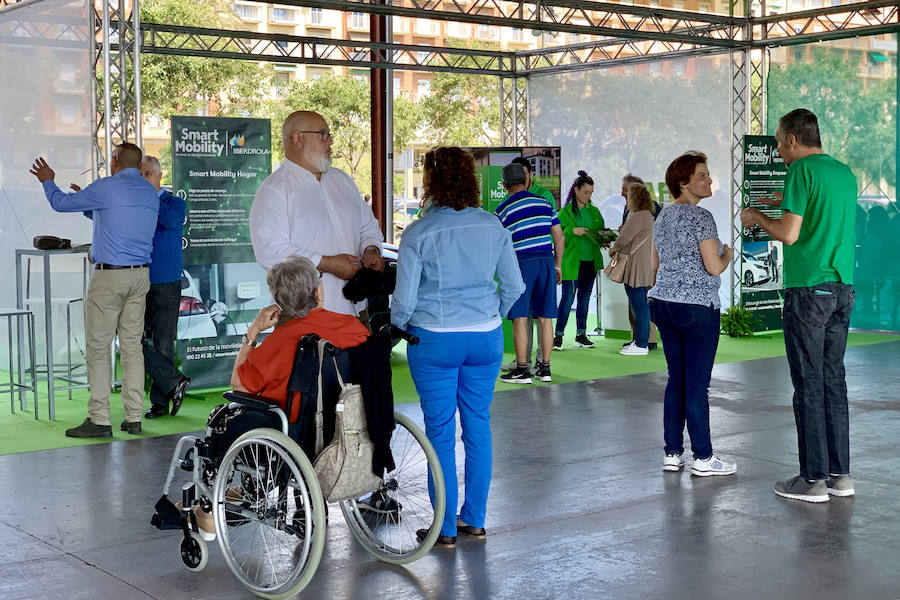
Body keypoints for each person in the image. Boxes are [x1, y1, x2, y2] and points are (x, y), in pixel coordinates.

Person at [391, 147, 524, 547]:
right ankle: (476, 520)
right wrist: (489, 314)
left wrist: (397, 326)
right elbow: (514, 286)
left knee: (440, 434)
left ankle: (444, 528)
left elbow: (405, 301)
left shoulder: (418, 232)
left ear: (431, 183)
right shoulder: (492, 225)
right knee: (478, 427)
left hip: (434, 340)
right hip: (485, 338)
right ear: (470, 179)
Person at [740, 109, 857, 502]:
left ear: (792, 139)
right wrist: (783, 200)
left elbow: (789, 235)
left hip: (807, 290)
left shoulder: (799, 172)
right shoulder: (843, 173)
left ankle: (812, 480)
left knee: (807, 384)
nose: (777, 149)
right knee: (833, 382)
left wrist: (757, 214)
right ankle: (840, 476)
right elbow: (819, 218)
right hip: (841, 289)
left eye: (777, 141)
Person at [29, 144, 158, 437]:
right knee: (132, 348)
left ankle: (100, 419)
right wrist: (91, 205)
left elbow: (61, 203)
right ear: (138, 167)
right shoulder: (149, 192)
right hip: (140, 276)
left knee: (99, 349)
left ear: (114, 162)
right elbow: (117, 221)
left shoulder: (106, 187)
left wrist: (47, 180)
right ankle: (134, 417)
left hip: (110, 278)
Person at [648, 151, 736, 476]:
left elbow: (655, 266)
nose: (709, 180)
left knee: (676, 380)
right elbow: (713, 268)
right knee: (697, 385)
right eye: (702, 175)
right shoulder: (702, 218)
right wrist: (728, 254)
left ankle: (673, 453)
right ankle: (703, 457)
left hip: (663, 305)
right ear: (683, 183)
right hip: (698, 309)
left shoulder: (662, 218)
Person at [249, 110, 384, 320]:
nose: (330, 141)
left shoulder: (343, 181)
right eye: (322, 134)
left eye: (329, 134)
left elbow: (367, 225)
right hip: (304, 317)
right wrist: (327, 263)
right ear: (297, 138)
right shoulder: (274, 189)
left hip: (354, 311)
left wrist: (371, 249)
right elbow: (270, 251)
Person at [231, 255, 369, 413]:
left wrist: (253, 331)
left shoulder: (279, 341)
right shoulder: (354, 328)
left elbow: (238, 386)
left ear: (280, 301)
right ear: (318, 292)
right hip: (348, 422)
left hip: (294, 429)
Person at [496, 162, 564, 384]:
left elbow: (499, 245)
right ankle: (545, 369)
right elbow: (558, 236)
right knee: (545, 318)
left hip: (521, 263)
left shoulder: (503, 209)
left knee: (520, 318)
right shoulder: (545, 202)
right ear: (526, 180)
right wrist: (557, 265)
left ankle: (522, 369)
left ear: (505, 184)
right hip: (546, 260)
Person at [140, 156, 191, 419]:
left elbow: (172, 222)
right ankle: (174, 381)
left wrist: (150, 199)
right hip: (137, 278)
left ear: (160, 175)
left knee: (162, 342)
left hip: (166, 281)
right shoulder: (137, 203)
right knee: (134, 340)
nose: (144, 179)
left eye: (148, 174)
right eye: (140, 174)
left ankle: (159, 402)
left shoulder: (173, 202)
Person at [553, 170, 605, 350]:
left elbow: (600, 231)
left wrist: (604, 239)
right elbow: (556, 236)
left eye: (591, 193)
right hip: (572, 263)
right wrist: (571, 232)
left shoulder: (595, 212)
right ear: (576, 190)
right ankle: (558, 336)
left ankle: (581, 335)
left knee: (584, 299)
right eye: (586, 192)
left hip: (590, 262)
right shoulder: (564, 213)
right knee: (568, 299)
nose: (589, 196)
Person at [610, 183, 656, 356]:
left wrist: (614, 248)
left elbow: (624, 238)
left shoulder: (638, 216)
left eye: (627, 195)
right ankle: (639, 341)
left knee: (639, 305)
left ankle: (641, 344)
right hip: (643, 265)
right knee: (640, 304)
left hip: (636, 266)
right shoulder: (647, 215)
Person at [620, 173, 661, 348]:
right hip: (635, 263)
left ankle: (646, 340)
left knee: (643, 302)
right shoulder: (630, 208)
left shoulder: (652, 209)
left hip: (647, 263)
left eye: (625, 189)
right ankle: (638, 338)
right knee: (636, 303)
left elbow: (657, 236)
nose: (621, 193)